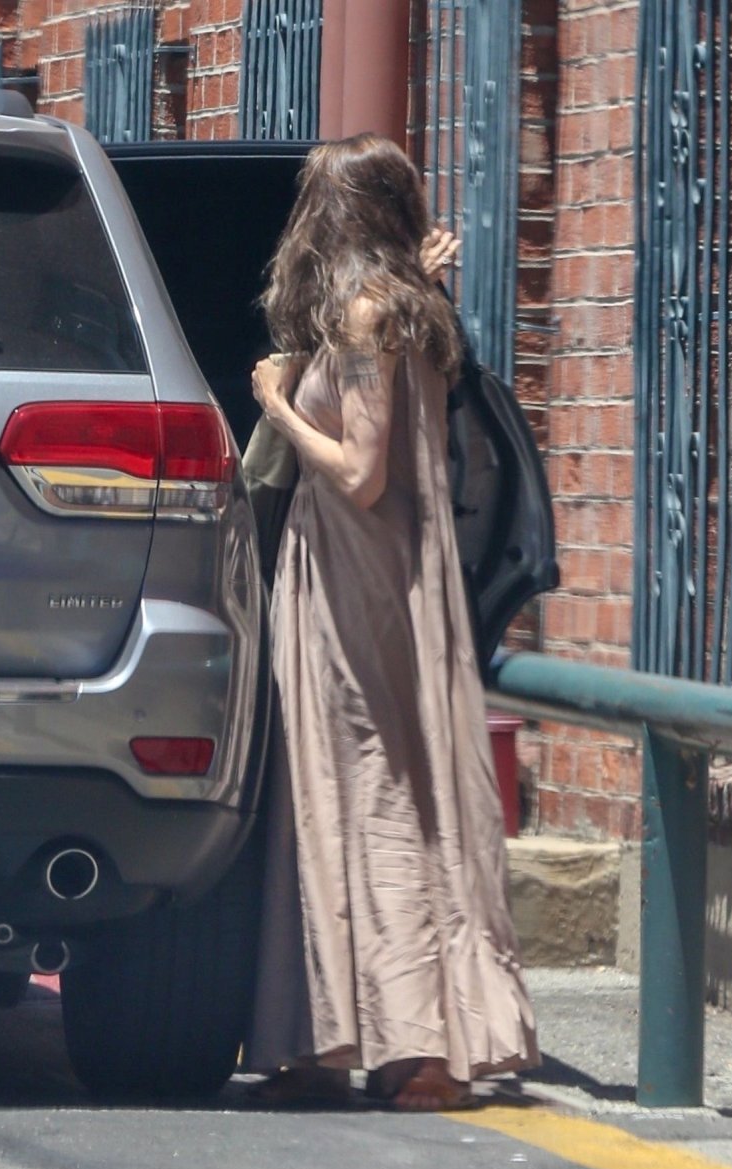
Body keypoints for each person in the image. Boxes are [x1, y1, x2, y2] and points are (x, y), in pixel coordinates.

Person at [247, 133, 539, 1111]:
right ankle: (333, 1034)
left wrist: (277, 403)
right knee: (353, 791)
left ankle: (415, 1047)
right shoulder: (399, 306)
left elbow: (359, 473)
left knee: (369, 792)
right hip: (371, 580)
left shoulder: (365, 317)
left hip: (356, 582)